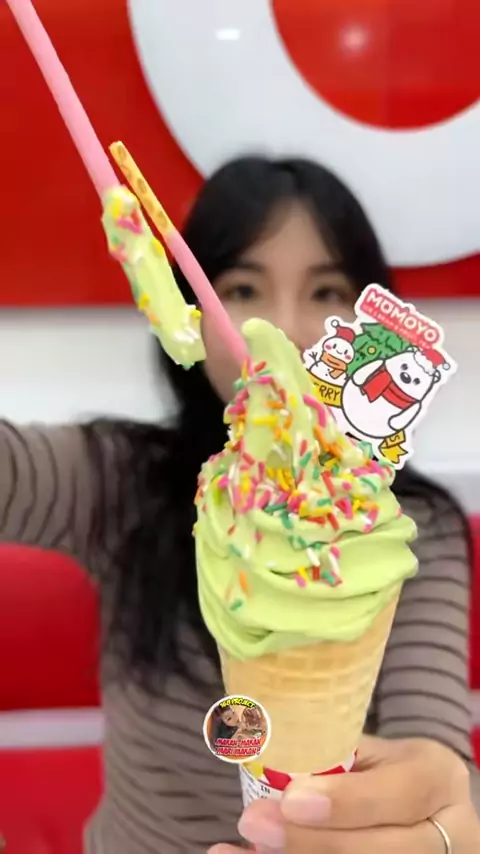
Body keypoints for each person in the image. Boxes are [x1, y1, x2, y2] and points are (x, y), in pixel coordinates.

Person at [1, 155, 478, 854]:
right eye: (244, 289)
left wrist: (439, 818)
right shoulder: (118, 478)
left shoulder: (404, 532)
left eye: (326, 291)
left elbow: (433, 749)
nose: (284, 330)